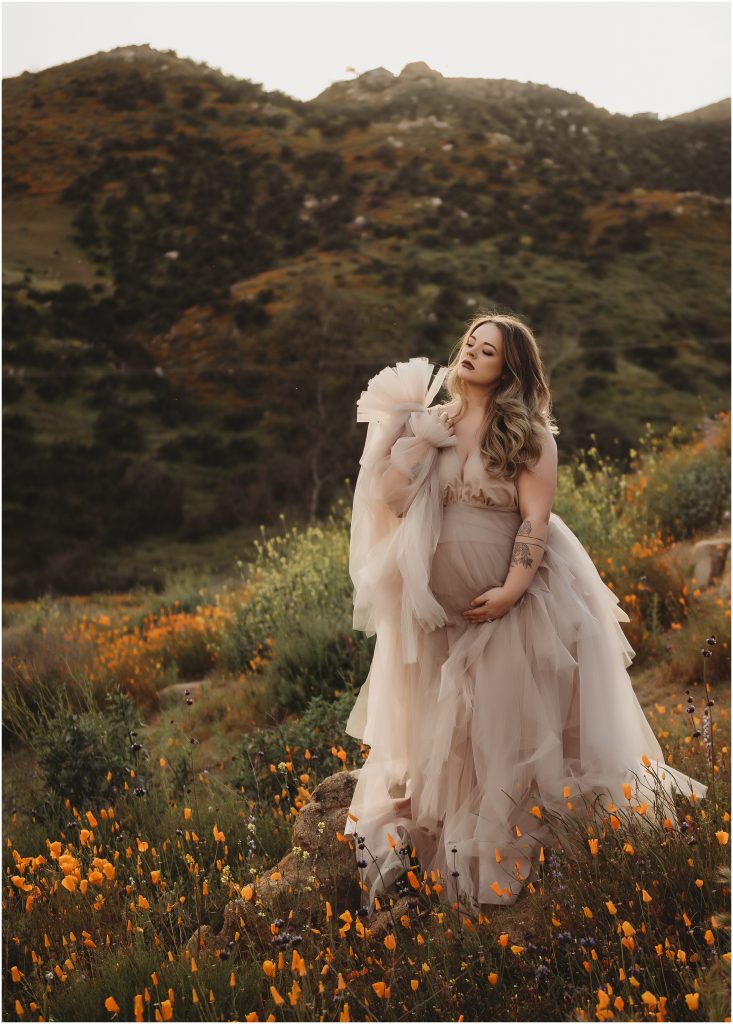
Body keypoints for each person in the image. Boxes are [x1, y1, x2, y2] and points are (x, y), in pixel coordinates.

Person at [343, 313, 708, 917]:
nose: (470, 354)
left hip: (512, 604)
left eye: (486, 351)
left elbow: (534, 520)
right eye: (468, 343)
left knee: (506, 722)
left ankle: (521, 834)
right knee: (447, 727)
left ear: (508, 368)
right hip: (441, 615)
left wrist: (512, 589)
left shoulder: (528, 435)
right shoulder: (434, 421)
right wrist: (406, 439)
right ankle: (440, 837)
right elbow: (388, 498)